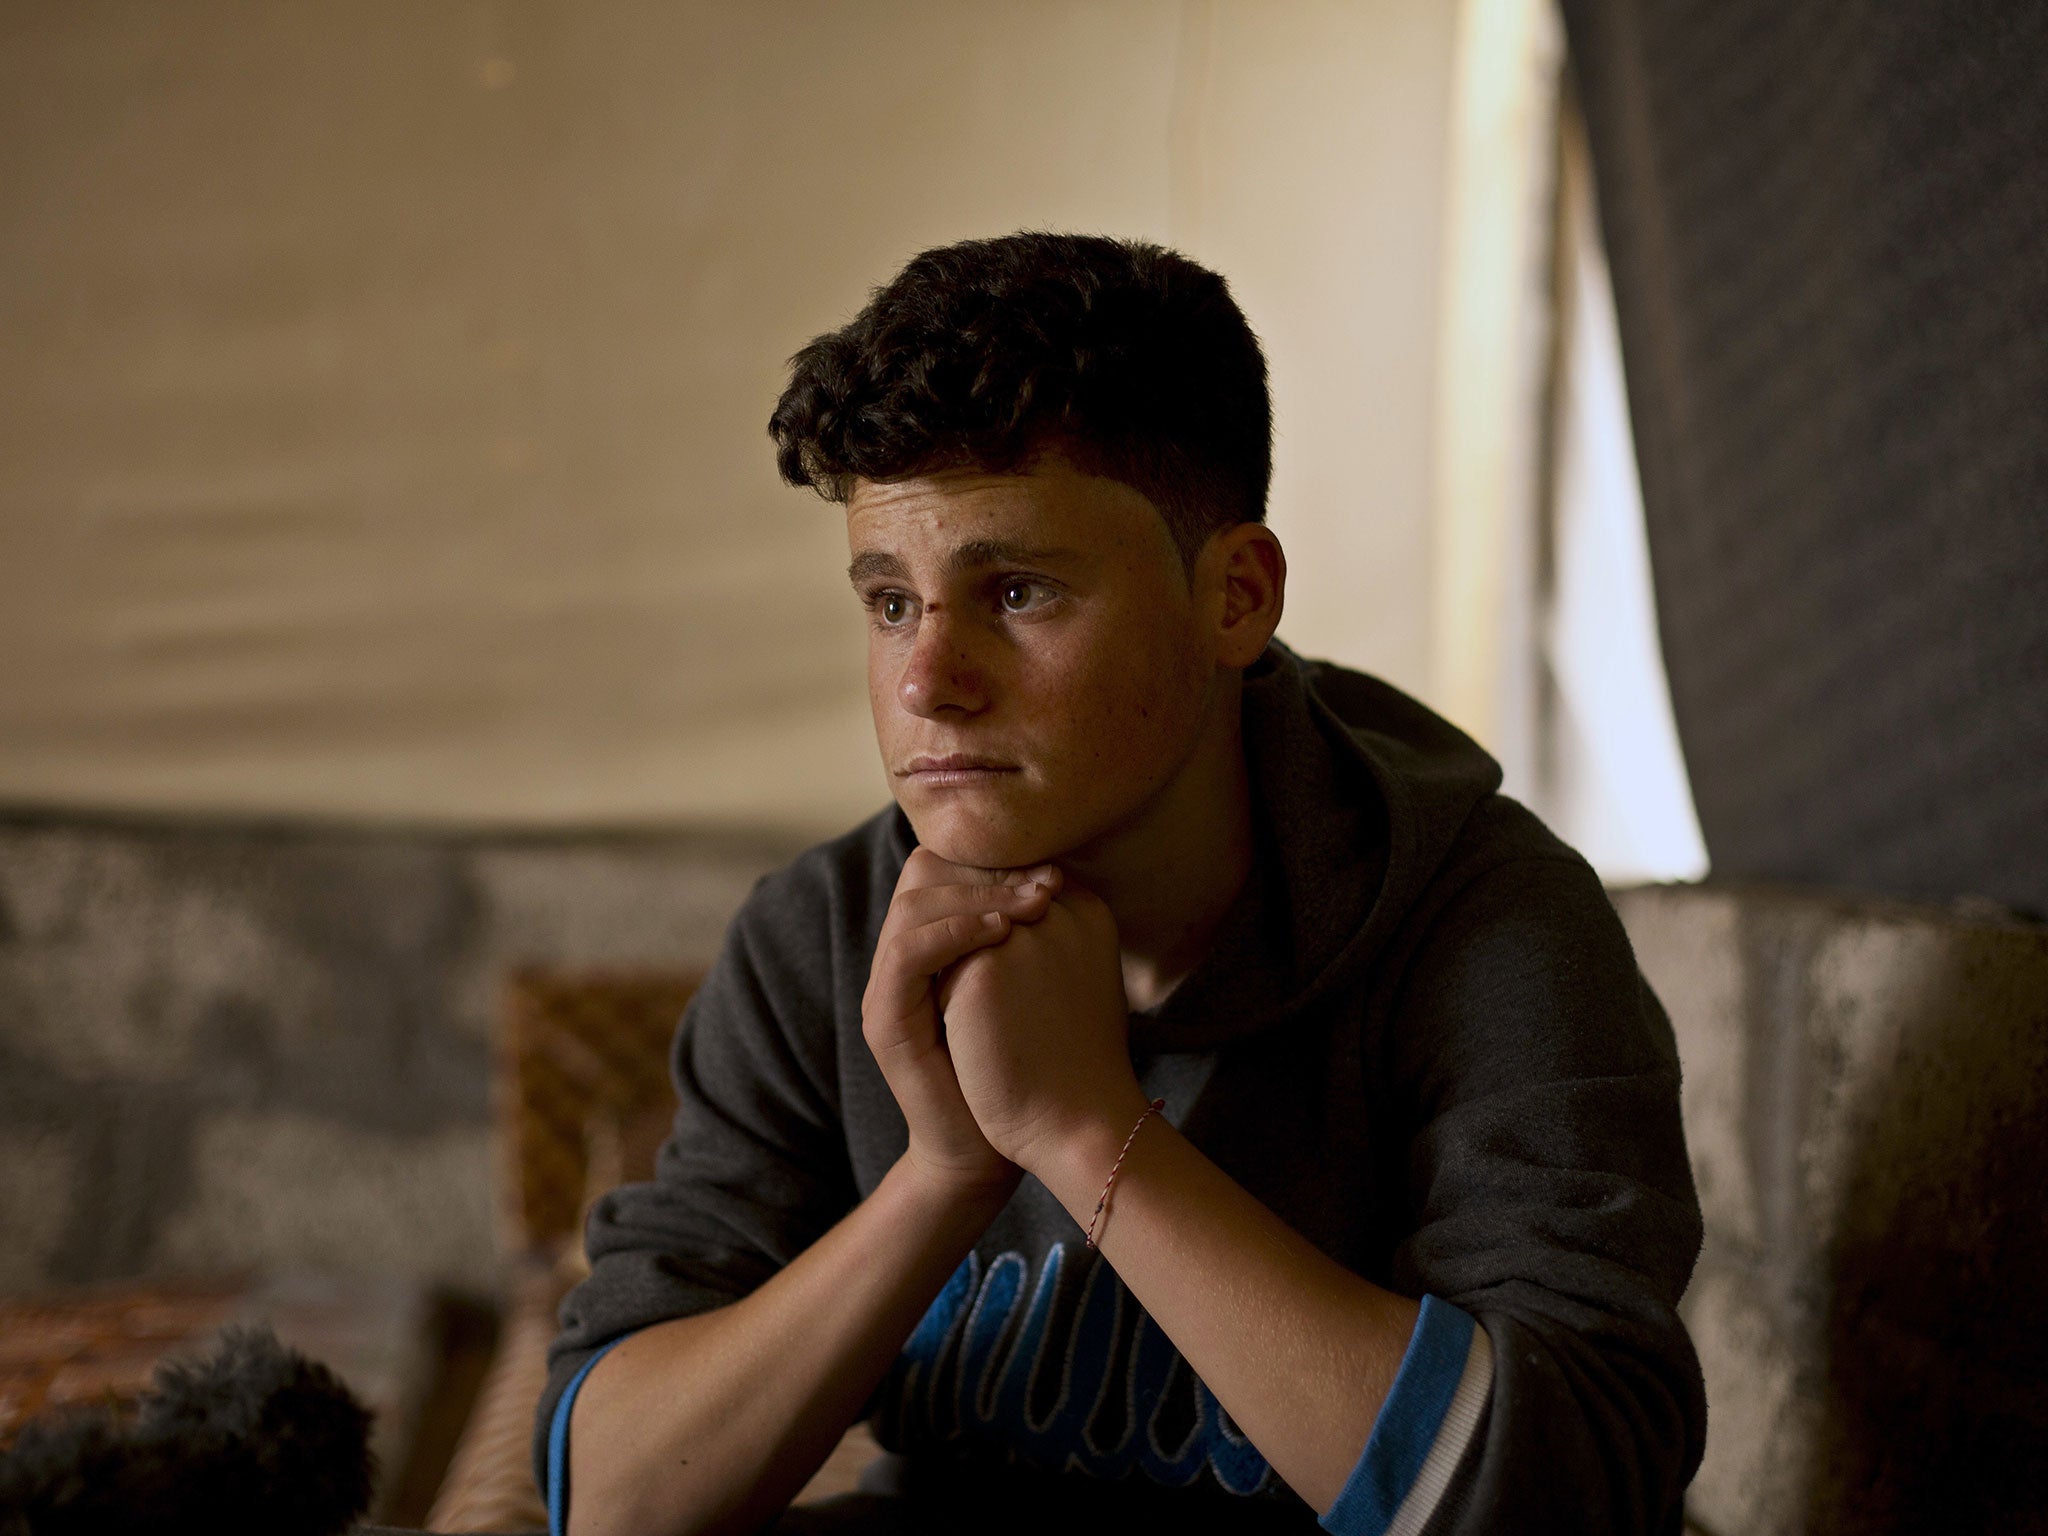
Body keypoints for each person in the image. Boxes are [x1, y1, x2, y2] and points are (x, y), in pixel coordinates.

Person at [536, 233, 1706, 1536]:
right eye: (888, 604)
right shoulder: (821, 935)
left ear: (1237, 598)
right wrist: (941, 1174)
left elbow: (1565, 1499)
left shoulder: (1484, 924)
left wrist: (1088, 1134)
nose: (927, 681)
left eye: (1018, 590)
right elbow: (613, 1502)